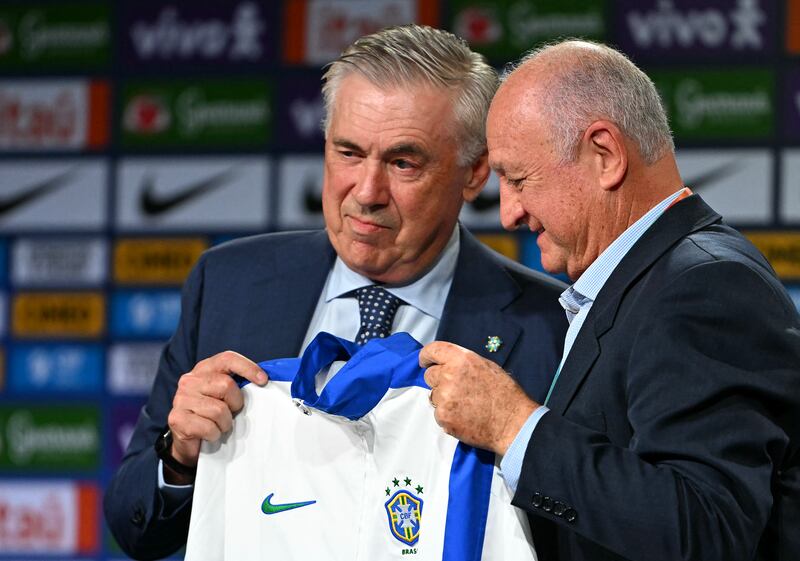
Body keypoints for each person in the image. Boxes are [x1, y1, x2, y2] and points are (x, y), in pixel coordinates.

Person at [104, 25, 567, 560]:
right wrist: (180, 456)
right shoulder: (229, 284)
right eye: (348, 152)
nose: (366, 193)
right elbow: (133, 527)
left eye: (403, 162)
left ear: (473, 172)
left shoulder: (548, 326)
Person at [420, 39, 800, 561]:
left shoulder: (704, 287)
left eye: (518, 179)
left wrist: (513, 427)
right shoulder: (642, 282)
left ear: (605, 155)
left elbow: (706, 529)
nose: (508, 213)